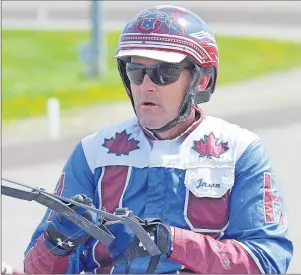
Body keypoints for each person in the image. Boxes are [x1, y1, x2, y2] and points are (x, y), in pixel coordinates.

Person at [23, 5, 293, 274]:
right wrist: (57, 242)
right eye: (136, 71)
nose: (146, 85)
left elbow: (266, 262)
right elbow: (35, 270)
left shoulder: (240, 151)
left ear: (202, 80)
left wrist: (173, 241)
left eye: (165, 73)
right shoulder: (93, 153)